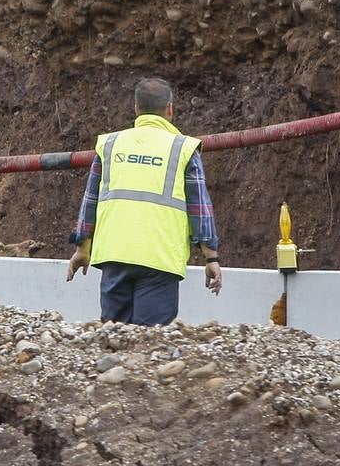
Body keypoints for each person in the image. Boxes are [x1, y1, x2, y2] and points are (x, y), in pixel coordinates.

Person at [66, 77, 223, 324]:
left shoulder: (110, 144)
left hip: (114, 256)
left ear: (136, 109)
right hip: (159, 259)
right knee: (150, 343)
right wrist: (211, 258)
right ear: (170, 109)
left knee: (113, 337)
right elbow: (199, 208)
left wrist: (82, 249)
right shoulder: (182, 148)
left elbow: (91, 199)